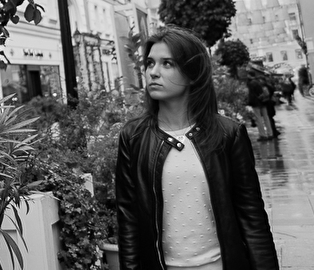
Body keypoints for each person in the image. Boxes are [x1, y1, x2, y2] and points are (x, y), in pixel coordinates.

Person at [116, 26, 278, 270]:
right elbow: (128, 219)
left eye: (167, 63)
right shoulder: (134, 136)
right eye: (150, 63)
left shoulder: (228, 134)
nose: (153, 72)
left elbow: (251, 215)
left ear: (193, 74)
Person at [246, 72, 274, 141]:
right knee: (266, 118)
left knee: (258, 119)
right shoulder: (260, 81)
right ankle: (270, 134)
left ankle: (262, 135)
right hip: (264, 101)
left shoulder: (252, 83)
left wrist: (249, 102)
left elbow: (251, 94)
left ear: (249, 75)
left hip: (256, 103)